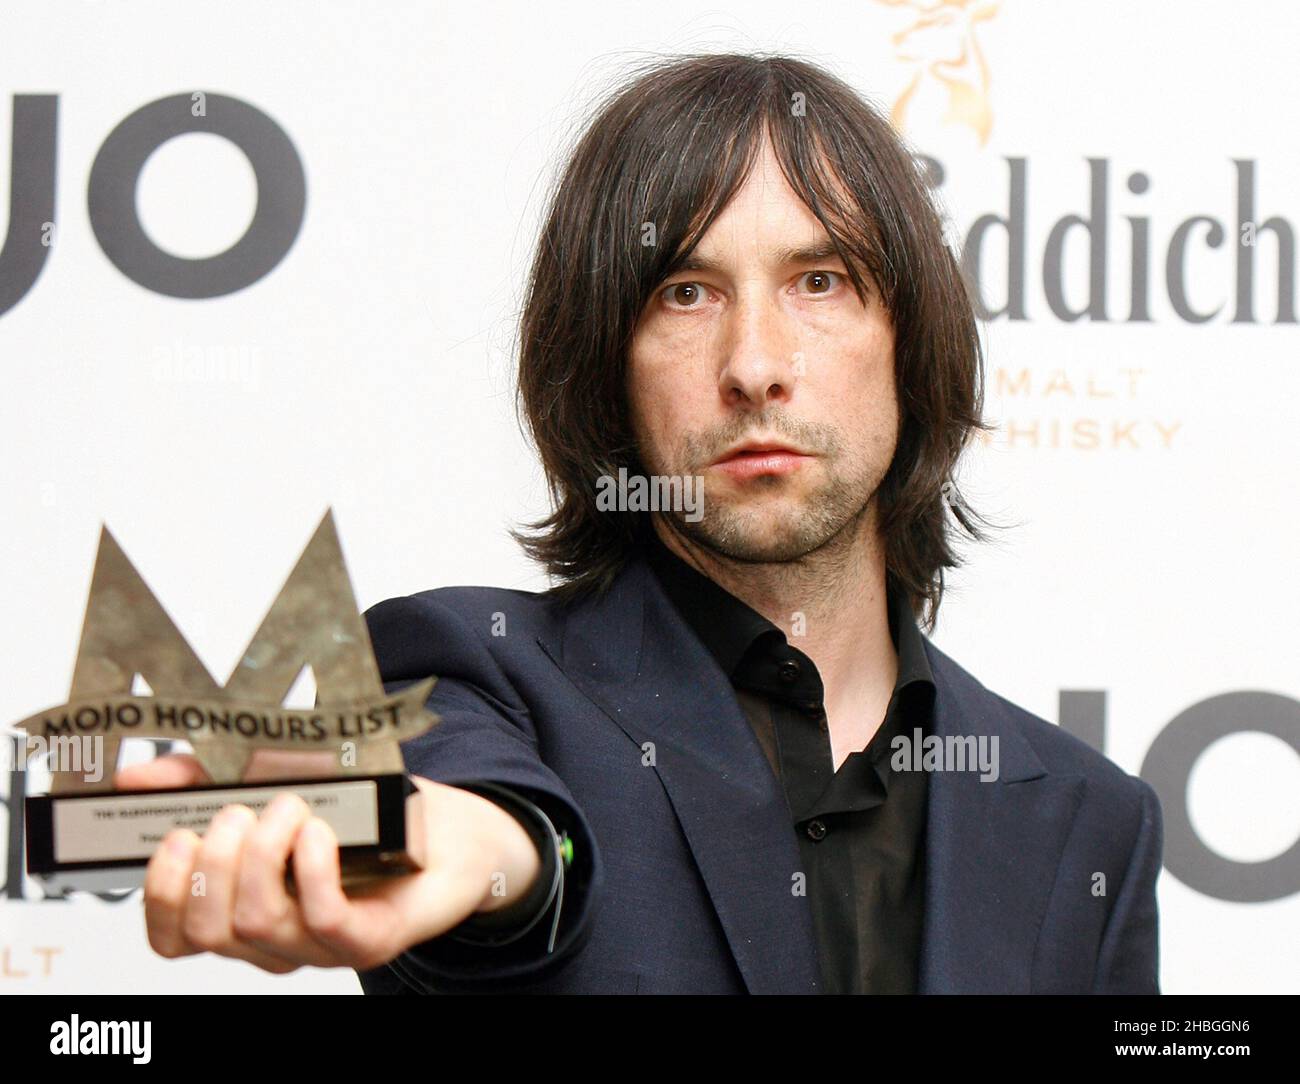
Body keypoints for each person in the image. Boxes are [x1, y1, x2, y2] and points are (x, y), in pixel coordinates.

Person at [118, 52, 1163, 994]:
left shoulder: (1090, 819)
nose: (755, 364)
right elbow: (497, 832)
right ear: (605, 368)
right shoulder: (475, 676)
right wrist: (492, 856)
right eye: (684, 293)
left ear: (909, 343)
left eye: (819, 281)